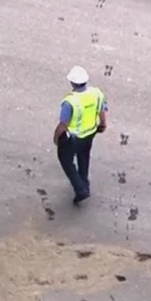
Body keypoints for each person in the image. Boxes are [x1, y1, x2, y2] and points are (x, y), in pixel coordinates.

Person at [53, 65, 108, 205]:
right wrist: (103, 124)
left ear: (72, 83)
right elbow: (102, 111)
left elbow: (63, 124)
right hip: (90, 133)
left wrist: (56, 137)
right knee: (84, 157)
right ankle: (84, 182)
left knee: (66, 160)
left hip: (73, 138)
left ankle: (80, 188)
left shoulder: (70, 102)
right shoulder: (97, 94)